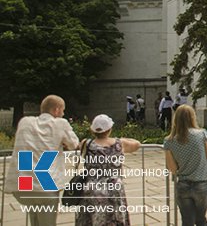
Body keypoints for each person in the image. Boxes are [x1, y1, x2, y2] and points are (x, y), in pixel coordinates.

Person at [7, 95, 79, 226]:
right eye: (62, 111)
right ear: (56, 110)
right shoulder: (60, 123)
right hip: (45, 182)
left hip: (24, 182)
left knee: (33, 217)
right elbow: (74, 144)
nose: (63, 114)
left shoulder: (25, 122)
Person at [76, 114, 141, 226]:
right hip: (114, 189)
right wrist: (122, 138)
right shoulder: (119, 144)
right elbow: (137, 144)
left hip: (92, 188)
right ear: (110, 129)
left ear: (93, 130)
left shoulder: (86, 144)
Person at [164, 105, 207, 226]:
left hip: (183, 184)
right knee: (201, 219)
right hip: (202, 182)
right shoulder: (201, 134)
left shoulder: (169, 141)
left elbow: (173, 168)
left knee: (187, 221)